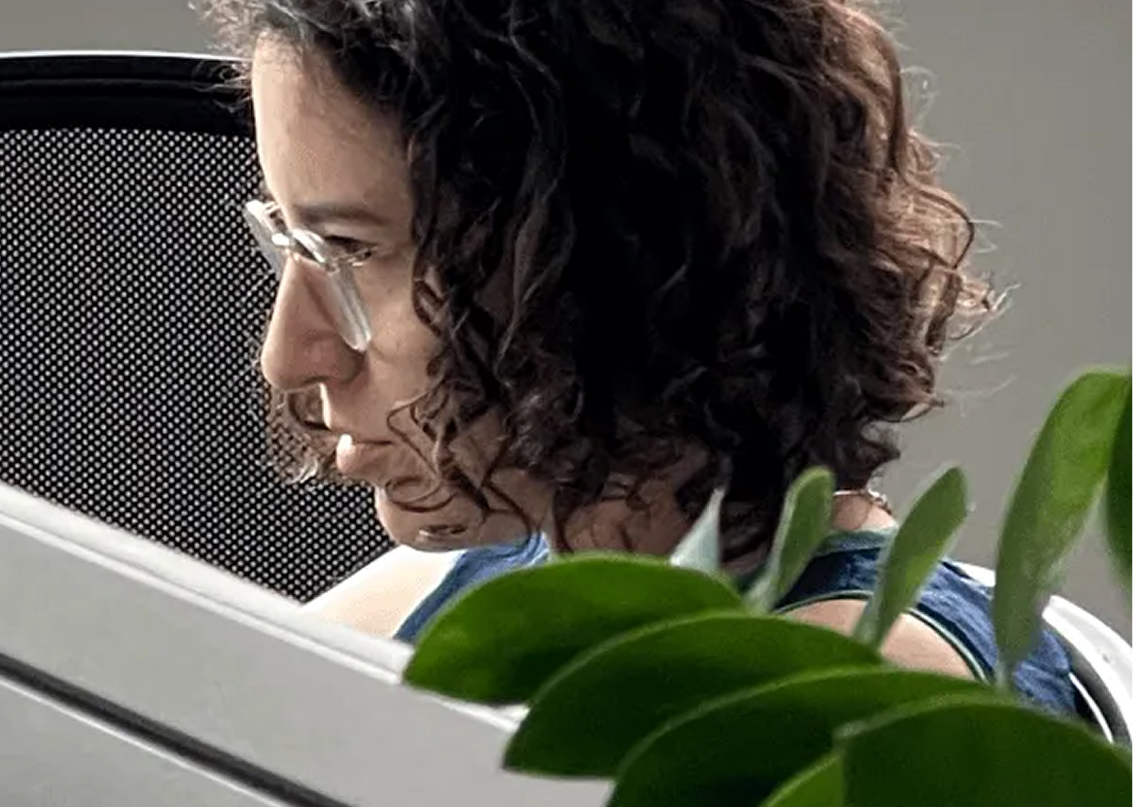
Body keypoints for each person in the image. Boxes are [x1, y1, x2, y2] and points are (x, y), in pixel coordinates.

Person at [203, 0, 1075, 713]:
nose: (290, 355)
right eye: (290, 245)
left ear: (617, 262)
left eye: (353, 251)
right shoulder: (485, 584)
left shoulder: (854, 697)